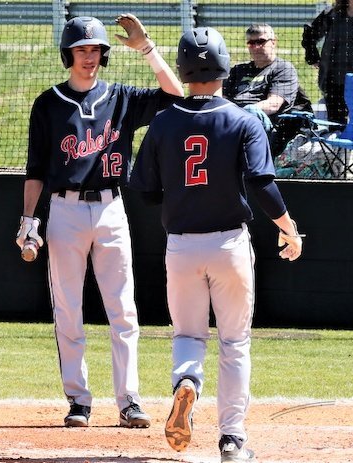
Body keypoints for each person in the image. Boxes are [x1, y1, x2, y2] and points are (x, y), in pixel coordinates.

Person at [130, 27, 303, 462]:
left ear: (183, 68)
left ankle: (187, 382)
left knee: (188, 334)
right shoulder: (243, 120)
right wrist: (288, 227)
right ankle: (232, 439)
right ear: (225, 66)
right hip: (229, 244)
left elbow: (145, 192)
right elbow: (262, 183)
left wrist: (180, 191)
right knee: (234, 342)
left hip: (182, 246)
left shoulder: (164, 121)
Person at [14, 15, 183, 428]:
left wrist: (147, 49)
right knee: (68, 310)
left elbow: (175, 95)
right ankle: (79, 400)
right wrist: (28, 220)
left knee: (122, 309)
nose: (89, 57)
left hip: (111, 208)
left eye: (95, 49)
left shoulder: (120, 97)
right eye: (81, 49)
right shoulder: (48, 103)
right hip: (65, 210)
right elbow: (36, 169)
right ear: (68, 54)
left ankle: (129, 400)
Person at [302, 0, 353, 177]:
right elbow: (310, 33)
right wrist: (313, 57)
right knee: (336, 130)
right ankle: (338, 176)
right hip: (334, 82)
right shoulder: (332, 14)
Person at [223, 23, 312, 158]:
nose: (256, 47)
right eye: (251, 43)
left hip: (267, 128)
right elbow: (221, 98)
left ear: (273, 42)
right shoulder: (238, 70)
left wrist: (238, 114)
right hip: (234, 122)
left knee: (251, 111)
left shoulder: (283, 69)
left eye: (261, 42)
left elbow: (273, 104)